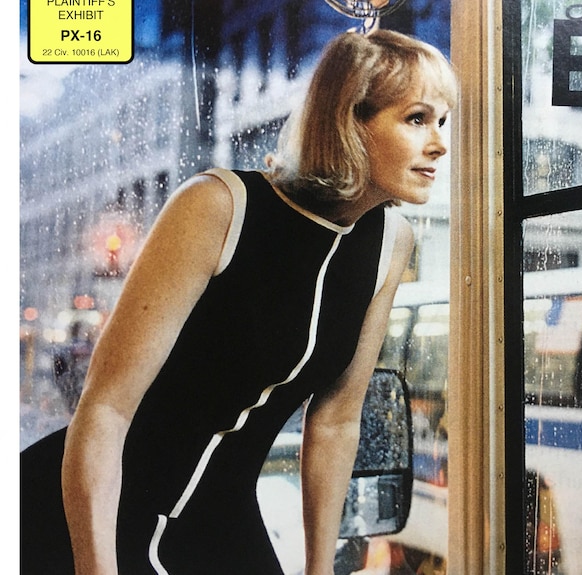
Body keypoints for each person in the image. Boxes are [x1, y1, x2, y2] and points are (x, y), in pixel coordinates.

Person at [20, 28, 457, 575]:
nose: (439, 142)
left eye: (443, 122)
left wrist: (320, 571)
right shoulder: (217, 206)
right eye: (417, 119)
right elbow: (105, 410)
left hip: (219, 522)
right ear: (350, 121)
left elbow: (337, 421)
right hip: (88, 515)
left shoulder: (393, 243)